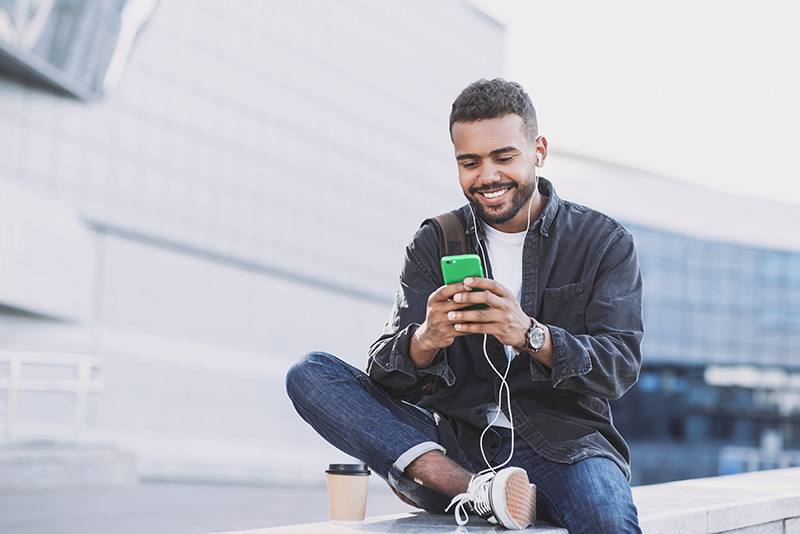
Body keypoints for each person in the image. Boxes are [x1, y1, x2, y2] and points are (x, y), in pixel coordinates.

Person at [286, 78, 644, 533]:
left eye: (504, 157)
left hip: (565, 446)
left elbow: (620, 366)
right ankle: (480, 491)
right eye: (469, 162)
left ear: (539, 151)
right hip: (452, 446)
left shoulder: (603, 242)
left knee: (607, 518)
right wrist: (425, 340)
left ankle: (494, 495)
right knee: (310, 374)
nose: (487, 177)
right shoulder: (434, 241)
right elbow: (386, 377)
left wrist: (529, 334)